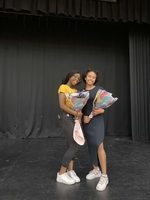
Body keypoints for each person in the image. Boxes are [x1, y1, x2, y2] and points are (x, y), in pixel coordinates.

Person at [82, 68, 109, 191]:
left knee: (99, 146)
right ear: (85, 77)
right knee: (91, 145)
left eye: (93, 77)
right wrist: (83, 117)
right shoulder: (80, 92)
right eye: (89, 76)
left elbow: (103, 107)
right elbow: (79, 110)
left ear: (95, 79)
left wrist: (101, 110)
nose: (91, 78)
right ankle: (95, 169)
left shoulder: (99, 90)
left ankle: (104, 176)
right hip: (87, 123)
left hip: (97, 122)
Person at [56, 70, 82, 185]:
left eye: (79, 79)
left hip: (73, 118)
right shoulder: (63, 87)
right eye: (75, 77)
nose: (77, 79)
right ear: (70, 76)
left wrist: (78, 115)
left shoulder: (75, 91)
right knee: (74, 145)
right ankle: (61, 173)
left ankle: (70, 171)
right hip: (66, 117)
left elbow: (78, 106)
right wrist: (76, 114)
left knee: (70, 145)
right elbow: (62, 105)